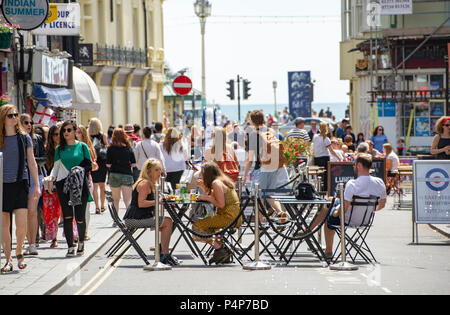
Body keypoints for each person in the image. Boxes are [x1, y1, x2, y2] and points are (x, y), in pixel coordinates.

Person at [308, 153, 386, 258]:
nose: (353, 167)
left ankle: (327, 249)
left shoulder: (352, 184)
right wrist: (368, 209)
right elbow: (382, 204)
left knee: (328, 212)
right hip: (365, 220)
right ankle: (308, 231)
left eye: (354, 164)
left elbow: (344, 208)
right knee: (330, 201)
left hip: (348, 219)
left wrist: (335, 213)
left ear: (358, 165)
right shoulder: (379, 182)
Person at [1, 105, 40, 273]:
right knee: (4, 224)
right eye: (10, 115)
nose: (14, 118)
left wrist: (37, 185)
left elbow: (32, 162)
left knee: (21, 224)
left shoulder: (24, 138)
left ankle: (19, 252)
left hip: (20, 183)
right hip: (2, 186)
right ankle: (8, 259)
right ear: (3, 118)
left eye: (16, 115)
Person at [47, 120, 92, 257]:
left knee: (80, 216)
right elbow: (55, 167)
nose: (66, 133)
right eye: (64, 131)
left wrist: (78, 170)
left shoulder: (83, 147)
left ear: (75, 131)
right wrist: (51, 179)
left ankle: (81, 243)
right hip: (63, 184)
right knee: (67, 216)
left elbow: (89, 165)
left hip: (79, 185)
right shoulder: (59, 149)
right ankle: (70, 246)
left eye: (69, 130)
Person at [123, 158, 179, 266]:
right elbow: (141, 203)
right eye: (157, 170)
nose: (160, 172)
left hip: (139, 217)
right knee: (167, 222)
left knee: (165, 222)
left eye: (160, 169)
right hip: (134, 219)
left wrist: (160, 197)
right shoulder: (145, 183)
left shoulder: (149, 183)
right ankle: (164, 254)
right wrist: (158, 201)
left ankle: (163, 253)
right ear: (149, 172)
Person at [193, 162, 242, 264]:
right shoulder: (220, 181)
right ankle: (221, 249)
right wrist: (204, 188)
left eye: (202, 173)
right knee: (213, 228)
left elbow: (220, 204)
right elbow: (216, 197)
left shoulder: (216, 183)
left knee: (197, 227)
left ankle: (220, 248)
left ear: (207, 174)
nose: (200, 175)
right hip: (233, 216)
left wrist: (205, 197)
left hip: (228, 218)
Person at [243, 110, 287, 218]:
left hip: (261, 169)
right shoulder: (270, 131)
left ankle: (261, 224)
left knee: (258, 197)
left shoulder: (253, 135)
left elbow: (250, 158)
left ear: (252, 122)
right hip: (274, 167)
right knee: (269, 195)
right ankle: (281, 212)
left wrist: (244, 174)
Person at [20, 114, 46, 256]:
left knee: (32, 211)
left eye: (31, 122)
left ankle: (32, 243)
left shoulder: (37, 139)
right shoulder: (16, 139)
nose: (29, 125)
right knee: (22, 212)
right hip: (20, 176)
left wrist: (31, 159)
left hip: (35, 175)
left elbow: (44, 157)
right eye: (26, 122)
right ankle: (25, 240)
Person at [106, 128, 136, 219]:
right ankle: (129, 219)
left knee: (116, 200)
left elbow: (108, 164)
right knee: (128, 200)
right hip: (127, 174)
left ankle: (116, 220)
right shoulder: (128, 148)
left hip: (114, 174)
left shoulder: (110, 148)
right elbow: (134, 164)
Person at [76, 125, 98, 241]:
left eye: (78, 132)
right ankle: (76, 231)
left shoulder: (87, 148)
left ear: (83, 134)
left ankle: (84, 232)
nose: (76, 134)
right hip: (74, 181)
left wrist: (91, 165)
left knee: (86, 208)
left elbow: (95, 166)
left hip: (86, 180)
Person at [43, 124, 61, 248]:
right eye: (56, 134)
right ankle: (54, 237)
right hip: (51, 184)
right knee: (52, 212)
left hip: (64, 183)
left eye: (60, 134)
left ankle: (72, 235)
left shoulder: (65, 149)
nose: (59, 137)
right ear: (51, 136)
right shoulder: (47, 150)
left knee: (66, 211)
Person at [312, 122, 340, 192]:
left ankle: (318, 188)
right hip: (324, 158)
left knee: (319, 175)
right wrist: (338, 157)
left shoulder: (315, 137)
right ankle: (325, 190)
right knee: (326, 175)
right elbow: (331, 151)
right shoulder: (326, 139)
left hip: (317, 158)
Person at [89, 118, 109, 214]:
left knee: (95, 186)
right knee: (102, 185)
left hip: (93, 161)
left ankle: (96, 207)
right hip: (102, 162)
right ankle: (102, 205)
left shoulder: (89, 136)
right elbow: (106, 147)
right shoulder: (103, 135)